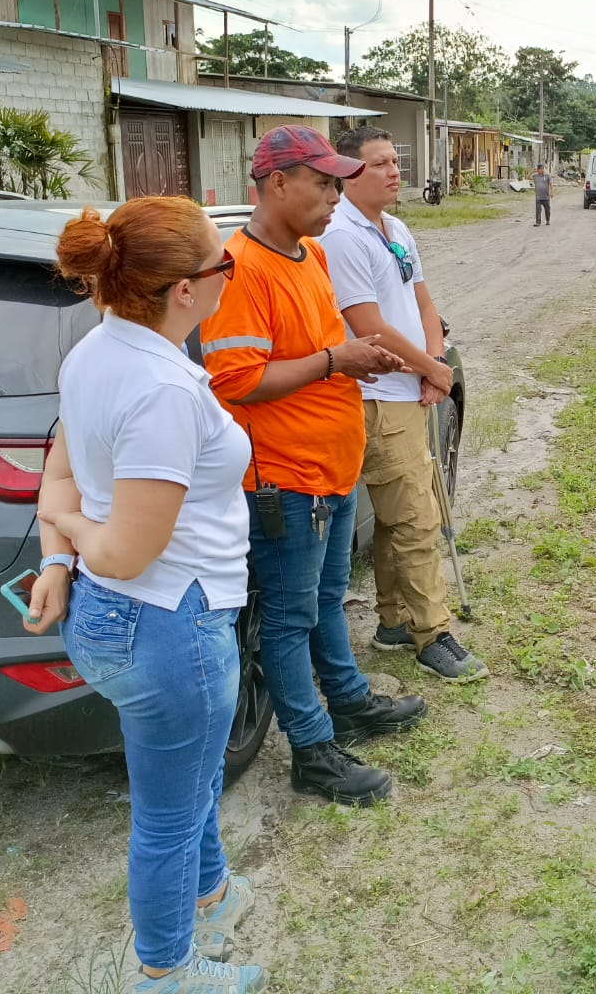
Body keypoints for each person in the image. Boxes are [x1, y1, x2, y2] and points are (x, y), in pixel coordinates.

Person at [33, 197, 265, 993]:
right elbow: (126, 552)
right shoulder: (161, 389)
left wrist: (56, 558)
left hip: (119, 616)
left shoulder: (98, 351)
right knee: (169, 813)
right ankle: (165, 970)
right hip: (166, 625)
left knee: (191, 777)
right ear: (186, 290)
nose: (232, 273)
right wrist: (69, 530)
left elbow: (60, 473)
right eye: (224, 263)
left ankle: (211, 894)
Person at [200, 125, 427, 807]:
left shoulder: (310, 254)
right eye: (324, 183)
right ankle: (311, 748)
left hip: (330, 467)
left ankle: (348, 700)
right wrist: (337, 360)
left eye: (337, 184)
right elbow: (236, 379)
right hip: (284, 481)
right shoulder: (240, 269)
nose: (335, 196)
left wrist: (356, 358)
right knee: (288, 618)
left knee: (327, 599)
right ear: (277, 183)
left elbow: (319, 347)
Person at [321, 125, 489, 682]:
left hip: (408, 391)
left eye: (395, 161)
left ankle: (394, 620)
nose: (395, 171)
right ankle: (431, 634)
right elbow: (367, 326)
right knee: (416, 518)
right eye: (380, 164)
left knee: (400, 517)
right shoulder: (341, 236)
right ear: (349, 174)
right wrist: (428, 368)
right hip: (375, 396)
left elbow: (421, 300)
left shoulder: (394, 228)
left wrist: (435, 363)